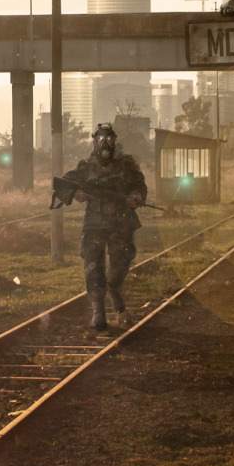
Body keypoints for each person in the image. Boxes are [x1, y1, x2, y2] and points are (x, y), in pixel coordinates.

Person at [70, 123, 149, 332]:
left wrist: (136, 197)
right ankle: (98, 309)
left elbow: (139, 185)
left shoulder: (126, 164)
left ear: (115, 141)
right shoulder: (86, 166)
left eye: (109, 140)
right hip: (95, 222)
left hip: (122, 222)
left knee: (120, 263)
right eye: (100, 140)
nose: (105, 144)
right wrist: (74, 194)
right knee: (92, 262)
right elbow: (67, 183)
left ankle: (113, 288)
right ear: (94, 142)